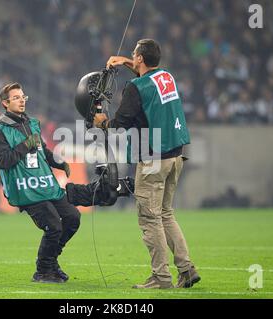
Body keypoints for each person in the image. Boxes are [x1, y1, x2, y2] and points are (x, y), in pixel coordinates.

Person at [93, 39, 200, 289]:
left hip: (153, 158)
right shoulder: (167, 77)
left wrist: (102, 122)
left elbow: (120, 124)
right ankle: (186, 269)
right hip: (176, 156)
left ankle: (161, 278)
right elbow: (147, 80)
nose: (132, 56)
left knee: (149, 219)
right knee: (165, 214)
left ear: (141, 58)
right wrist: (127, 61)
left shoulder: (135, 86)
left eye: (134, 54)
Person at [0, 82, 80, 283]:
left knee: (72, 218)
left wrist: (58, 162)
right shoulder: (1, 130)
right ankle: (43, 271)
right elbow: (3, 161)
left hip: (45, 184)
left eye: (23, 96)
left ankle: (50, 263)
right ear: (5, 103)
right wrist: (26, 144)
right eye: (16, 98)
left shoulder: (32, 123)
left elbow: (41, 151)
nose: (21, 100)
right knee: (53, 228)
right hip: (26, 190)